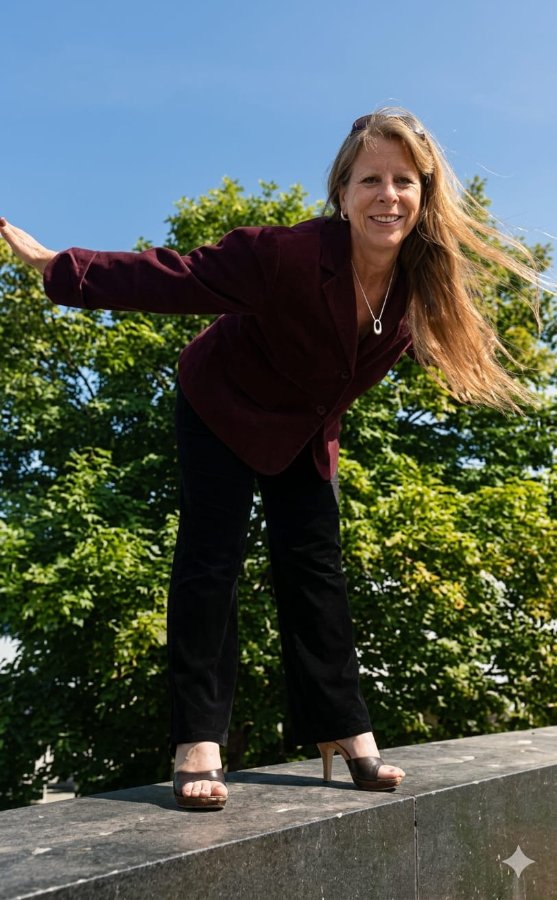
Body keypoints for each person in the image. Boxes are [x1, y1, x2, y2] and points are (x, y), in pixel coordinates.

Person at [0, 107, 543, 811]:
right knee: (212, 559)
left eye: (403, 181)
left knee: (315, 565)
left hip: (303, 428)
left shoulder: (418, 284)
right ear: (341, 194)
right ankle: (198, 740)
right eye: (370, 180)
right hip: (221, 403)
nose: (387, 196)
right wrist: (59, 267)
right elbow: (175, 276)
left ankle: (341, 726)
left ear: (424, 194)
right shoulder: (284, 254)